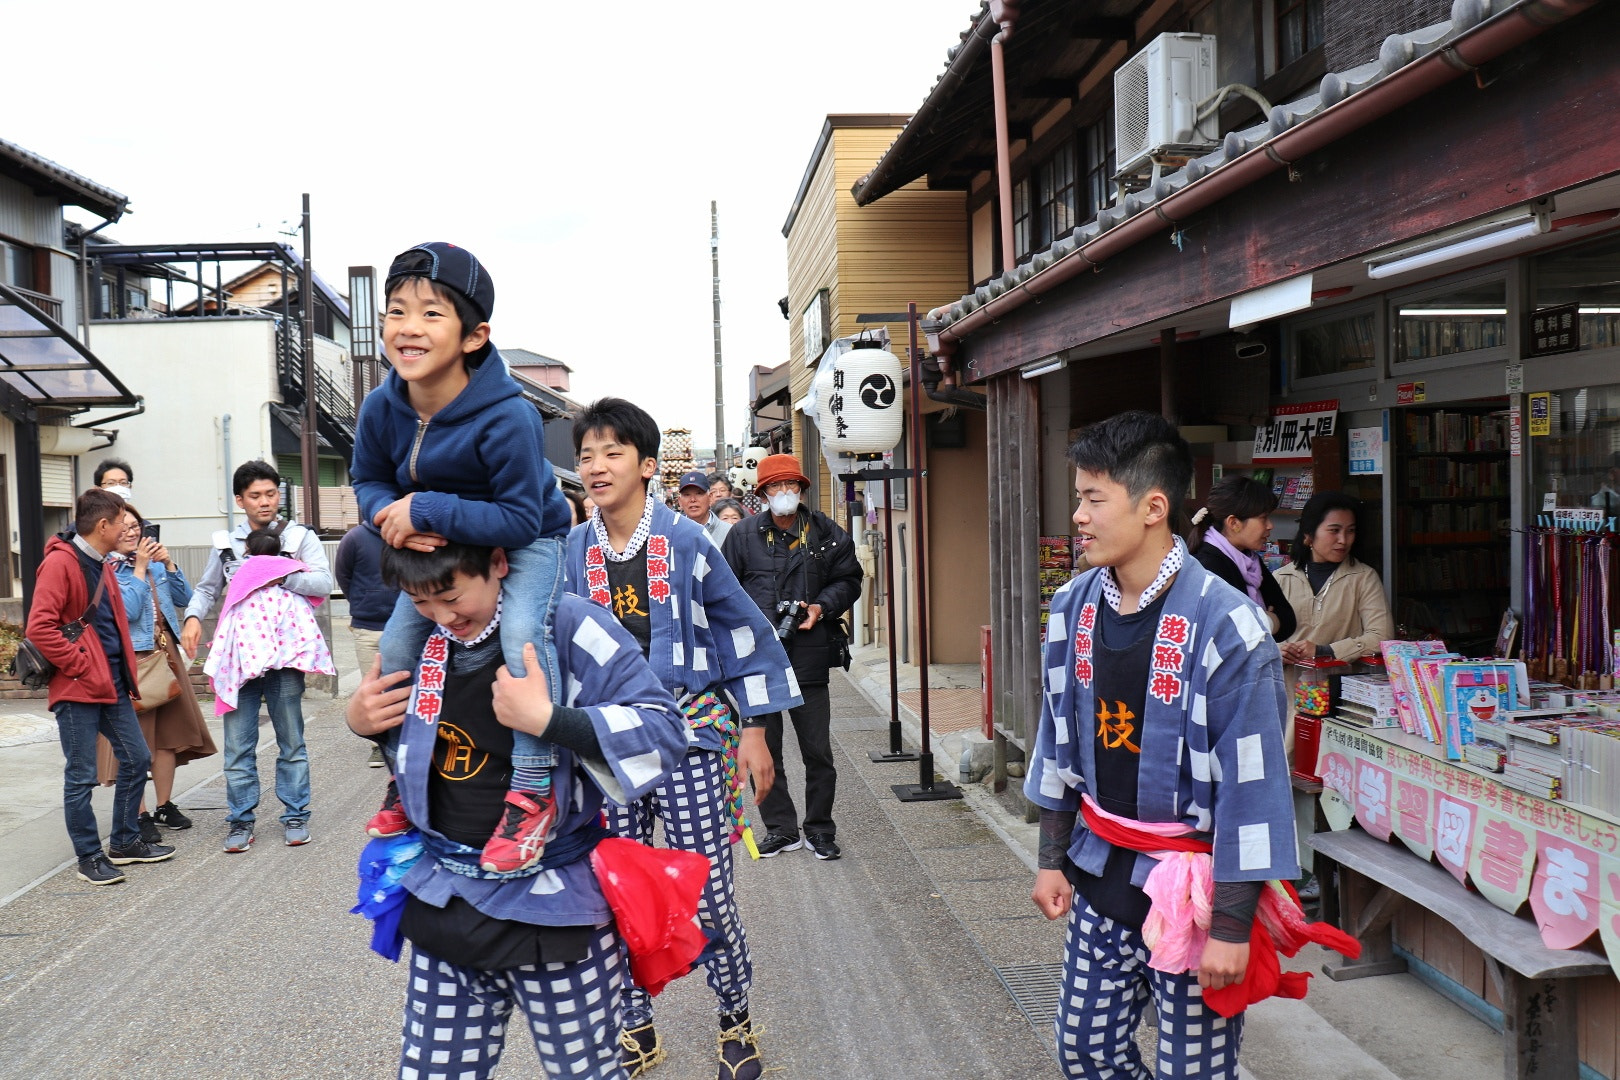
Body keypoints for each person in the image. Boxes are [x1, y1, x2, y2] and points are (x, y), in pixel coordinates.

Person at [347, 541, 693, 1080]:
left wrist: (550, 720)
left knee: (585, 1073)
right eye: (419, 602)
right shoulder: (417, 639)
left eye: (450, 594)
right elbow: (392, 725)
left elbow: (665, 730)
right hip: (445, 898)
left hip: (555, 911)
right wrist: (360, 719)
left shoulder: (568, 624)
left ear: (498, 563)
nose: (442, 617)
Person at [1025, 412, 1302, 1080]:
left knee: (1195, 1072)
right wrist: (1051, 857)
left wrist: (1234, 928)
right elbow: (1057, 735)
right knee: (1083, 1050)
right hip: (1101, 870)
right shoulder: (1072, 606)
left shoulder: (1228, 623)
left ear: (1154, 506)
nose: (1079, 516)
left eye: (1094, 499)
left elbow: (1254, 784)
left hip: (1197, 892)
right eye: (1080, 497)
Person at [569, 398, 801, 1080]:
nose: (596, 466)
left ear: (646, 466)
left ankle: (735, 1019)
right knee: (619, 889)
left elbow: (741, 630)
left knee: (706, 891)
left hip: (693, 732)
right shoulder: (573, 552)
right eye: (586, 455)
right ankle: (637, 1027)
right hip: (609, 742)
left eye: (612, 452)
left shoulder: (688, 542)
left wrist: (754, 729)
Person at [351, 241, 572, 876]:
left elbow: (521, 517)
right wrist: (385, 514)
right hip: (442, 545)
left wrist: (426, 510)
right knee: (394, 648)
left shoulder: (508, 416)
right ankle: (404, 776)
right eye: (396, 311)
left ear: (474, 336)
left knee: (524, 638)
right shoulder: (379, 406)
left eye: (430, 314)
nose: (408, 328)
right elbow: (367, 480)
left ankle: (532, 790)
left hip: (526, 539)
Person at [182, 460, 332, 850]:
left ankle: (296, 815)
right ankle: (240, 821)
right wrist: (193, 617)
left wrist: (277, 573)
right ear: (239, 500)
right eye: (255, 496)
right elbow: (206, 588)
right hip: (239, 659)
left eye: (270, 494)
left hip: (284, 657)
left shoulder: (299, 537)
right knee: (237, 745)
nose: (265, 503)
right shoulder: (225, 544)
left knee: (291, 741)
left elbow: (323, 581)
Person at [722, 453, 861, 862]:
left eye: (791, 486)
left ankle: (819, 828)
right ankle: (781, 829)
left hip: (810, 655)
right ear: (762, 493)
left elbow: (849, 578)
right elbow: (725, 590)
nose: (785, 493)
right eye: (776, 487)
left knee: (817, 750)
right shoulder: (743, 535)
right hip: (759, 660)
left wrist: (821, 606)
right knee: (767, 748)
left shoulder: (824, 532)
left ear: (802, 489)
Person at [30, 489, 174, 886]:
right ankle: (88, 856)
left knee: (136, 758)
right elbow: (39, 627)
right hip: (78, 687)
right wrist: (79, 665)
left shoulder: (104, 563)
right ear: (103, 525)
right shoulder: (61, 562)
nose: (129, 528)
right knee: (81, 775)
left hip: (110, 683)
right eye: (122, 522)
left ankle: (125, 842)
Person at [204, 527, 336, 851]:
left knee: (240, 748)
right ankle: (285, 818)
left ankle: (248, 821)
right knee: (289, 743)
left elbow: (228, 625)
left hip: (248, 669)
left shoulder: (260, 577)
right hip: (274, 668)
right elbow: (305, 629)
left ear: (247, 550)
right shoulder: (287, 578)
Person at [98, 506, 217, 839]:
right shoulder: (108, 569)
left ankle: (164, 804)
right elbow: (131, 611)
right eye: (124, 528)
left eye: (136, 526)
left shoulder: (152, 563)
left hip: (165, 656)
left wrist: (168, 564)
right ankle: (139, 813)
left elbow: (187, 598)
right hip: (134, 660)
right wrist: (138, 568)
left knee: (166, 737)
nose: (132, 533)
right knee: (134, 741)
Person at [1274, 491, 1394, 752]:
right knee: (1283, 767)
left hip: (1342, 701)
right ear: (1308, 535)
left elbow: (1382, 636)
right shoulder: (1280, 578)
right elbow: (1257, 637)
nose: (1343, 540)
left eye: (1350, 531)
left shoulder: (1363, 577)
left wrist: (1325, 651)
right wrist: (1278, 651)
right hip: (1285, 696)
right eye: (1334, 530)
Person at [1188, 476, 1296, 642]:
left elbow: (1288, 620)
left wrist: (1259, 622)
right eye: (1263, 518)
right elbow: (1232, 633)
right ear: (1234, 523)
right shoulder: (1207, 566)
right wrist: (1269, 620)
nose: (1270, 525)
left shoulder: (1250, 558)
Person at [335, 523, 397, 767]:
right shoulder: (354, 538)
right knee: (372, 685)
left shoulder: (404, 531)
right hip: (367, 626)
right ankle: (378, 744)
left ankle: (407, 738)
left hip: (404, 623)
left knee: (406, 681)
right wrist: (361, 603)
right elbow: (344, 575)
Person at [677, 468, 732, 547]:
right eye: (687, 495)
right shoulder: (672, 532)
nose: (693, 500)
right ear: (680, 502)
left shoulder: (728, 532)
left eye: (699, 493)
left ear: (710, 497)